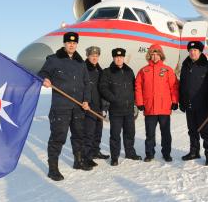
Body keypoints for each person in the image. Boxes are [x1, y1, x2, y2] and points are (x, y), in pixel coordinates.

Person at [38, 32, 92, 181]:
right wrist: (46, 78)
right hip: (60, 107)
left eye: (74, 43)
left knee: (79, 136)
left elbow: (87, 83)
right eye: (69, 42)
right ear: (64, 43)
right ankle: (53, 168)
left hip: (78, 107)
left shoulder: (81, 63)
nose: (71, 45)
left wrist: (86, 100)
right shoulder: (54, 60)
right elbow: (42, 72)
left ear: (76, 45)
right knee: (58, 137)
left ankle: (78, 161)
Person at [135, 44, 179, 162]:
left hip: (164, 108)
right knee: (150, 134)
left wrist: (174, 101)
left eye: (157, 54)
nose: (154, 57)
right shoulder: (143, 71)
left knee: (165, 133)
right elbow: (138, 87)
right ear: (149, 55)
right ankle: (149, 153)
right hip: (149, 107)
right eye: (152, 54)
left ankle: (166, 153)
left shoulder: (167, 70)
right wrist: (139, 102)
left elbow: (174, 87)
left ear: (161, 55)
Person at [99, 48, 142, 166]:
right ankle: (114, 157)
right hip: (115, 109)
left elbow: (134, 88)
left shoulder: (129, 71)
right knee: (115, 134)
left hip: (128, 109)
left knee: (130, 133)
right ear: (113, 58)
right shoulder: (107, 72)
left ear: (124, 58)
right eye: (116, 57)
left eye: (121, 57)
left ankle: (130, 152)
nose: (119, 59)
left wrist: (135, 102)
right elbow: (103, 88)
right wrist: (113, 99)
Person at [179, 41, 208, 166]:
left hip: (203, 106)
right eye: (191, 51)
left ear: (200, 52)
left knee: (205, 131)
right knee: (192, 130)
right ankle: (194, 151)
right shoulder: (185, 66)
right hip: (189, 104)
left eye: (195, 50)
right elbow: (182, 85)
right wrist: (182, 101)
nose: (193, 53)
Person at [82, 46, 110, 169]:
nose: (94, 57)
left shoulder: (99, 70)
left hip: (98, 105)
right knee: (89, 132)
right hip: (88, 105)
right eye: (92, 55)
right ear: (88, 56)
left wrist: (105, 105)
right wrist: (84, 101)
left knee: (98, 130)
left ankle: (95, 151)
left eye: (96, 56)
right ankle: (86, 157)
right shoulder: (83, 69)